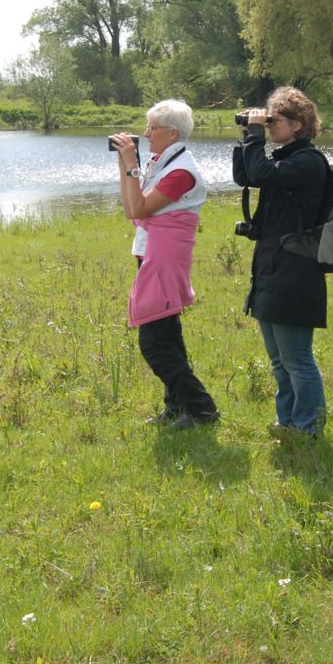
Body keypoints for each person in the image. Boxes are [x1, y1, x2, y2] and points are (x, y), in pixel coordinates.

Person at [110, 99, 219, 430]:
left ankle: (201, 409)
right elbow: (132, 207)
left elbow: (139, 209)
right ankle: (177, 404)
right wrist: (125, 165)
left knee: (154, 343)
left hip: (165, 259)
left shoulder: (182, 173)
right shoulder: (163, 162)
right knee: (168, 334)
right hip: (151, 253)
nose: (145, 134)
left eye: (152, 128)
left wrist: (131, 162)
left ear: (172, 133)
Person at [233, 87, 329, 435]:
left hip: (296, 271)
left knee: (297, 359)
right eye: (268, 121)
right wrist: (247, 135)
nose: (271, 126)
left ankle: (308, 427)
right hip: (273, 266)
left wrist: (256, 138)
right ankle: (286, 421)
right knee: (278, 360)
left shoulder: (308, 162)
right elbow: (245, 176)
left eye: (277, 121)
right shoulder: (285, 157)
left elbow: (261, 174)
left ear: (299, 124)